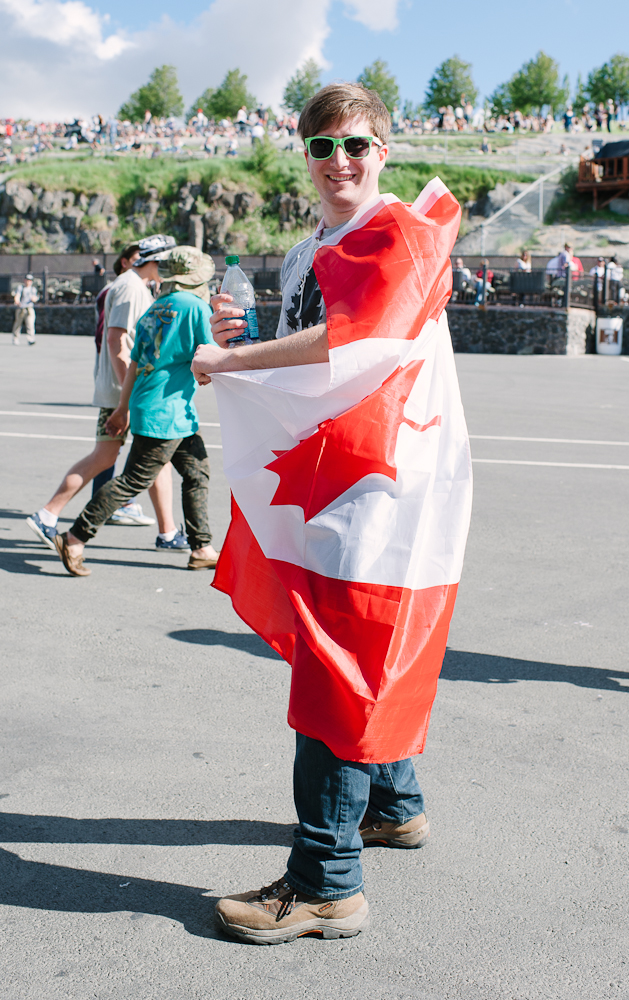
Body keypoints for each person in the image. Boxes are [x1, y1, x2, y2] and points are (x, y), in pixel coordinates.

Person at [192, 82, 471, 945]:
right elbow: (307, 348)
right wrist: (246, 332)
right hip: (334, 477)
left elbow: (353, 338)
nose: (339, 161)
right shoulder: (310, 248)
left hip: (383, 485)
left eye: (355, 145)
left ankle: (325, 882)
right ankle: (394, 803)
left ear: (384, 150)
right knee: (354, 652)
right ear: (304, 154)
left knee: (337, 669)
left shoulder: (399, 233)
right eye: (321, 147)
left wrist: (229, 359)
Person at [53, 245, 219, 577]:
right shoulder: (197, 307)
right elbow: (210, 356)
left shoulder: (156, 308)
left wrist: (123, 407)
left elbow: (134, 363)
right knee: (133, 481)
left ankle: (201, 547)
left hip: (160, 406)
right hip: (166, 411)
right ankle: (74, 537)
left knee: (196, 471)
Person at [27, 239, 182, 552]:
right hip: (123, 393)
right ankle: (47, 513)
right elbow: (116, 339)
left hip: (123, 391)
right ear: (156, 261)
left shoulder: (134, 285)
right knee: (123, 457)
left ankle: (167, 532)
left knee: (146, 458)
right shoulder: (130, 287)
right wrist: (128, 397)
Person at [12, 274, 39, 345]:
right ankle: (15, 338)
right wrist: (17, 301)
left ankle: (31, 339)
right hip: (21, 308)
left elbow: (35, 297)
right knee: (18, 324)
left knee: (30, 324)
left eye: (30, 280)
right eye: (27, 280)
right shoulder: (21, 288)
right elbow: (17, 296)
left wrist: (34, 299)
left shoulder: (33, 289)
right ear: (24, 280)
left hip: (29, 308)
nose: (28, 282)